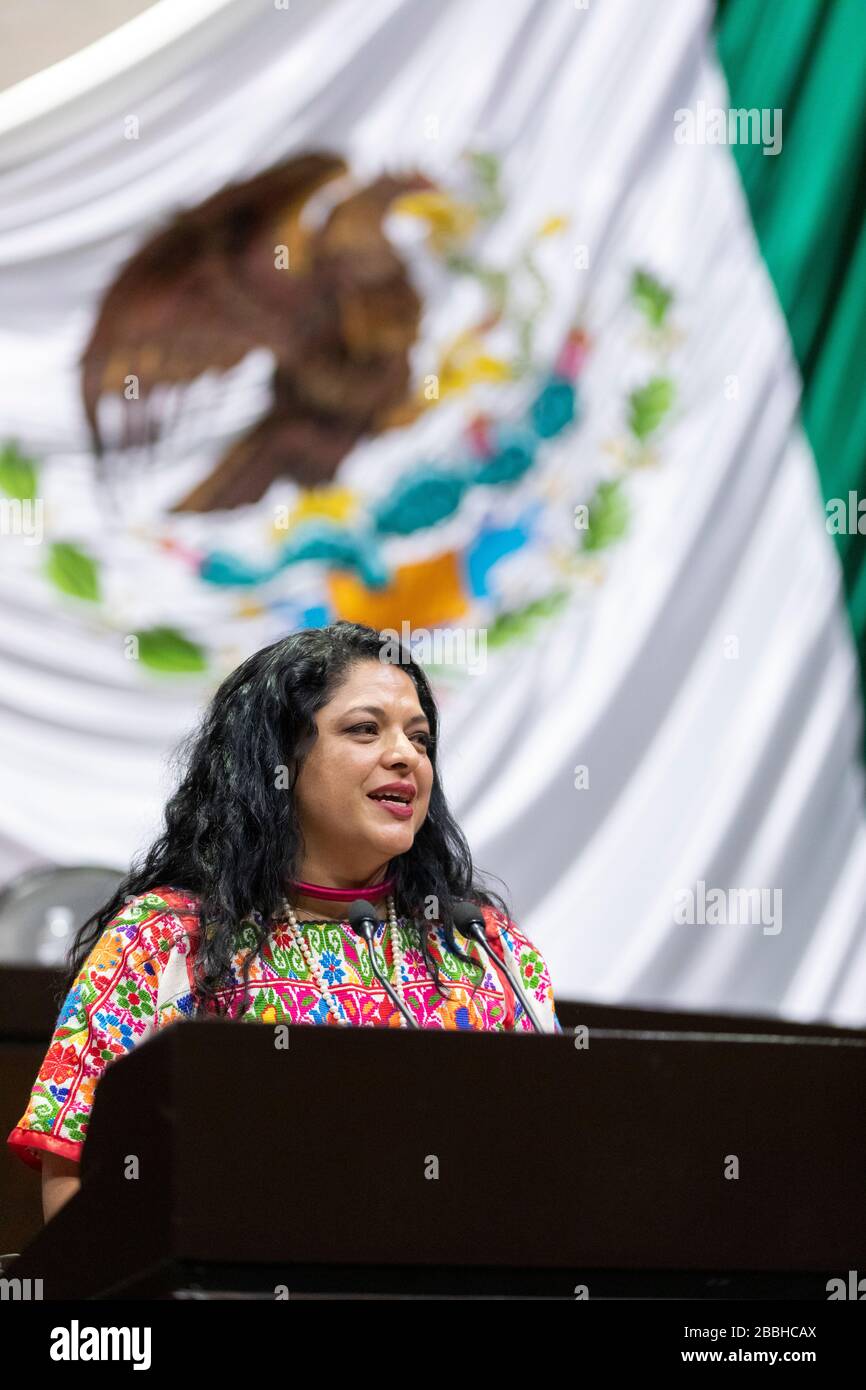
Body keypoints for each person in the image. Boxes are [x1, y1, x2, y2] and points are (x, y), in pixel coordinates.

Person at [7, 621, 561, 1220]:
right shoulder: (168, 940)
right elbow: (79, 1181)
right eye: (365, 730)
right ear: (279, 758)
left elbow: (561, 1150)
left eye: (420, 738)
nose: (405, 756)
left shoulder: (484, 948)